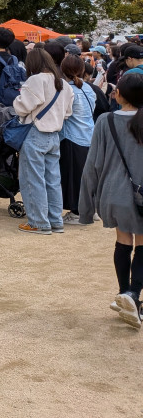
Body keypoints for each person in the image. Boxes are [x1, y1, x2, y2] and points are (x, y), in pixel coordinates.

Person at [79, 72, 143, 328]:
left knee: (123, 241)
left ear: (118, 94)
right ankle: (133, 295)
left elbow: (92, 165)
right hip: (141, 195)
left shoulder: (105, 121)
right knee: (142, 244)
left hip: (114, 194)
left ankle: (125, 294)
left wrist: (85, 209)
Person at [12, 47, 74, 234]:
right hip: (54, 135)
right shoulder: (64, 84)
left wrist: (17, 100)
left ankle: (38, 222)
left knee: (33, 179)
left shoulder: (35, 80)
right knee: (53, 180)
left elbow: (22, 107)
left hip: (35, 133)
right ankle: (55, 220)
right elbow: (68, 113)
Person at [59, 54, 96, 224]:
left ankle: (77, 212)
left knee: (74, 178)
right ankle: (90, 209)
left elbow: (64, 114)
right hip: (89, 135)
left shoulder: (67, 89)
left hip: (72, 137)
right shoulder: (88, 88)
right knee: (87, 176)